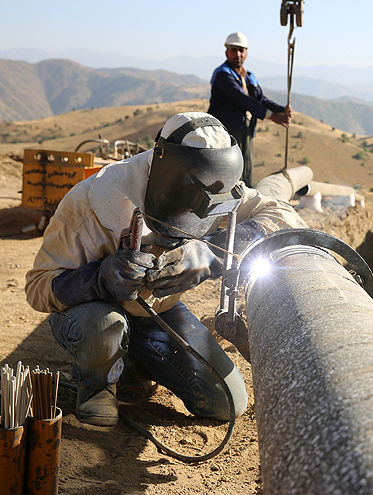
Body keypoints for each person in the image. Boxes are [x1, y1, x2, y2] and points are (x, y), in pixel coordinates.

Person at [25, 112, 307, 427]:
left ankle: (134, 359)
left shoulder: (218, 188)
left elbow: (284, 216)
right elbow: (38, 288)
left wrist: (210, 252)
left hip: (157, 314)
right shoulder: (92, 201)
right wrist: (98, 279)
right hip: (95, 314)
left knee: (226, 401)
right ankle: (96, 386)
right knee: (103, 324)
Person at [208, 32, 292, 187]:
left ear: (246, 53)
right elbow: (243, 100)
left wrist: (282, 109)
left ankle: (245, 205)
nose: (238, 54)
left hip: (245, 131)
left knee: (246, 172)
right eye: (234, 50)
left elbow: (261, 99)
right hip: (225, 133)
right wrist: (271, 116)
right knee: (229, 173)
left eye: (241, 50)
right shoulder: (223, 75)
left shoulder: (249, 76)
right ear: (226, 52)